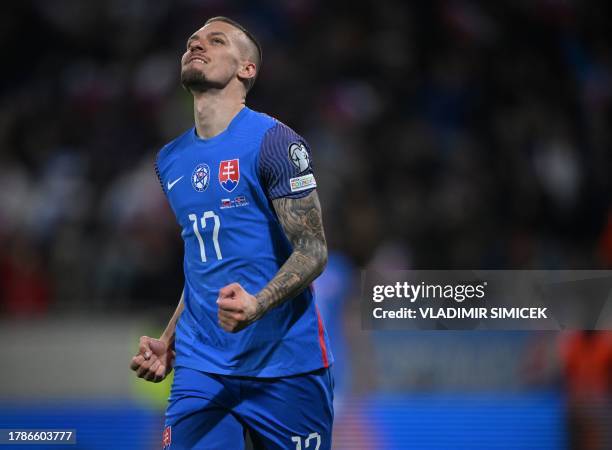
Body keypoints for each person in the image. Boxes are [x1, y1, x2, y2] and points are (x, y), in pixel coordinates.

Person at [129, 16, 334, 450]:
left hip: (287, 367)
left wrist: (258, 304)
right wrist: (168, 342)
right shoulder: (169, 161)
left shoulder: (276, 142)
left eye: (215, 41)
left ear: (247, 69)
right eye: (192, 41)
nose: (196, 45)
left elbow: (313, 250)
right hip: (203, 368)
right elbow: (203, 265)